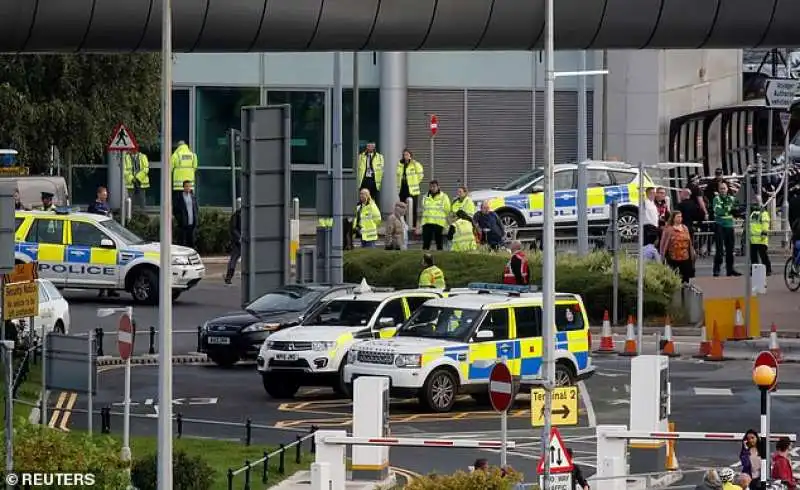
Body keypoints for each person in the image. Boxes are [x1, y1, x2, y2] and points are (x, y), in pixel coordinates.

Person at [713, 182, 741, 277]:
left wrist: (731, 210)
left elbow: (737, 209)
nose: (723, 190)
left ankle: (730, 269)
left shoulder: (732, 198)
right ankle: (716, 269)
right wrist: (729, 209)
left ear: (727, 189)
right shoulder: (716, 199)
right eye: (721, 188)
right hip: (719, 225)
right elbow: (718, 211)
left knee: (730, 249)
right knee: (719, 249)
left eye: (724, 188)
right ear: (718, 190)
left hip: (729, 226)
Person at [659, 210, 696, 284]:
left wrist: (692, 253)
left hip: (685, 257)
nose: (680, 218)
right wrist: (662, 254)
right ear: (673, 218)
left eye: (681, 216)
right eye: (678, 217)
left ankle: (685, 292)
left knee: (685, 278)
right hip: (673, 257)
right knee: (674, 277)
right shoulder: (669, 229)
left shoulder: (685, 228)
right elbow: (663, 242)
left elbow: (689, 242)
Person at [396, 149, 424, 228]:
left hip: (412, 189)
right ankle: (404, 224)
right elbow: (398, 175)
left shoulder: (415, 164)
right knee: (403, 207)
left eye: (407, 155)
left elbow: (420, 175)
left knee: (413, 208)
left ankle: (414, 225)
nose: (406, 156)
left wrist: (415, 182)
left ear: (410, 156)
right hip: (403, 188)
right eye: (404, 155)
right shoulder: (400, 164)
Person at [420, 180, 450, 251]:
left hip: (438, 223)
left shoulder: (444, 197)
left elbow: (447, 209)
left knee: (439, 243)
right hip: (427, 222)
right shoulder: (425, 196)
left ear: (438, 187)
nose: (432, 188)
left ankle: (440, 259)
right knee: (426, 244)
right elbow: (423, 208)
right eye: (431, 187)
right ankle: (425, 260)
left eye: (434, 186)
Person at [749, 199, 772, 276]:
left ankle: (768, 270)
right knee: (753, 257)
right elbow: (751, 225)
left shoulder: (764, 213)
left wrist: (764, 233)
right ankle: (754, 270)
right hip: (753, 239)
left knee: (763, 256)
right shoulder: (752, 213)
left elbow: (765, 223)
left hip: (761, 239)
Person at [173, 180, 199, 249]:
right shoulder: (179, 197)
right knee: (182, 243)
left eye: (189, 186)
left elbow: (196, 208)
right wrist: (180, 220)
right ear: (183, 187)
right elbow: (175, 210)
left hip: (192, 224)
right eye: (186, 186)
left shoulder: (193, 196)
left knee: (192, 243)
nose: (188, 188)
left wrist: (196, 219)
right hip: (183, 224)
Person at [224, 205, 241, 285]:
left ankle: (228, 277)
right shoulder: (236, 215)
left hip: (242, 240)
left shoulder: (239, 215)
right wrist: (239, 238)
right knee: (233, 259)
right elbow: (233, 228)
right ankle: (228, 277)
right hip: (238, 242)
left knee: (233, 259)